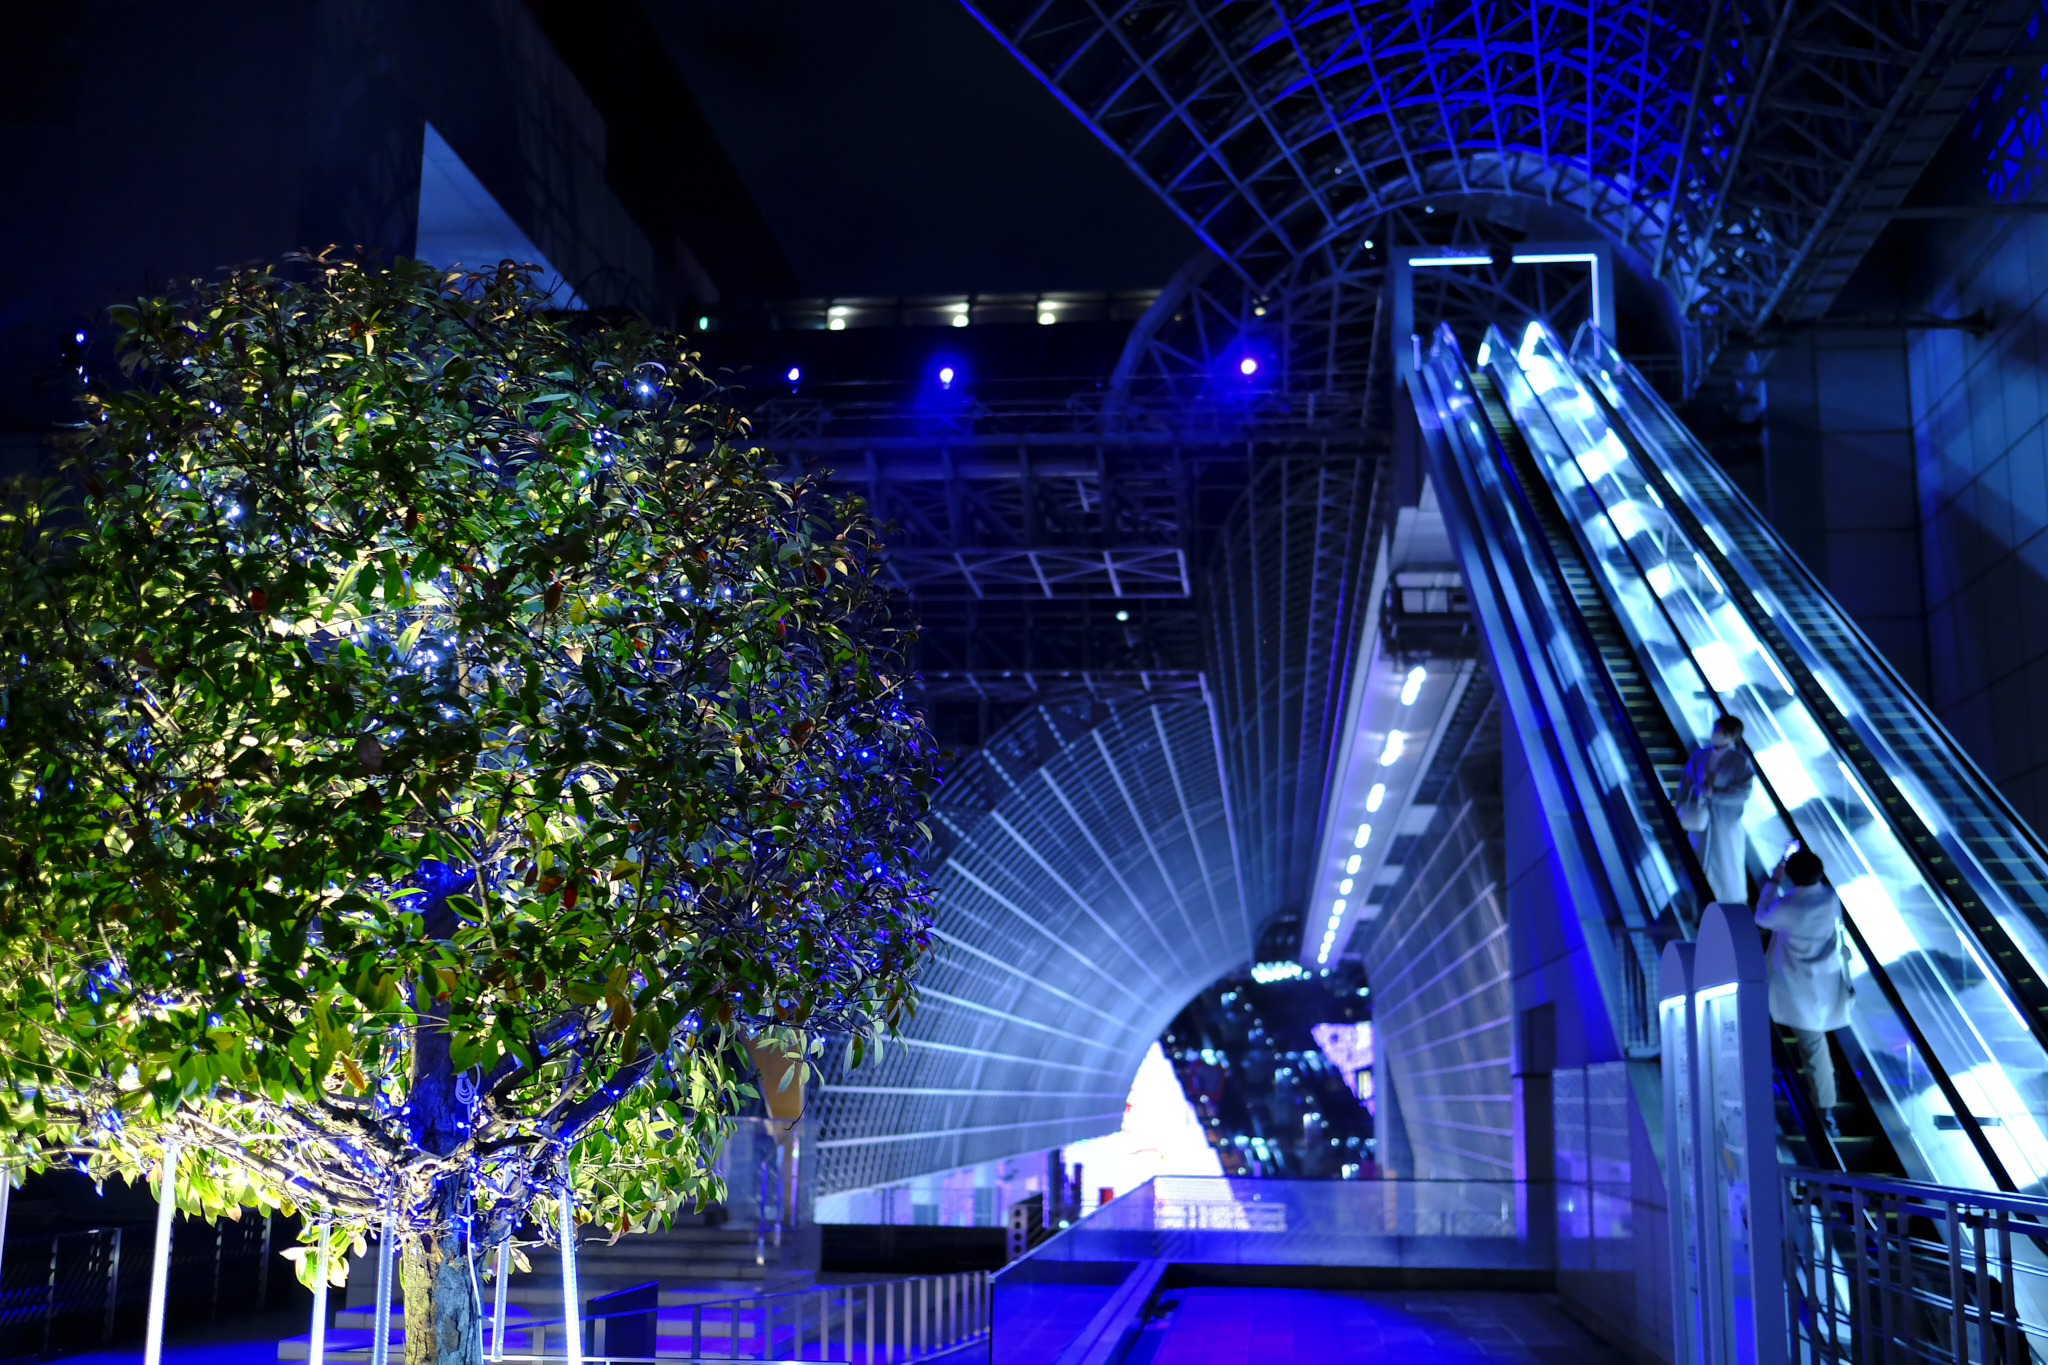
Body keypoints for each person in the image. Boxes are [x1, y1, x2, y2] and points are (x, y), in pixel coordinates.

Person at [1755, 847, 1854, 1134]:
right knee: (1814, 1046)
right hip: (1823, 985)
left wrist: (1774, 880)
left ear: (1790, 874)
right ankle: (1825, 1110)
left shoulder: (1787, 908)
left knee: (1804, 1044)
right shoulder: (1830, 898)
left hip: (1791, 986)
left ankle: (1822, 1110)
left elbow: (1761, 916)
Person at [1679, 714, 1755, 903]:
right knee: (1698, 861)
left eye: (1722, 732)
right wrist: (1682, 807)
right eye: (1716, 730)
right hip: (1699, 818)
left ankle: (1728, 904)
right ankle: (1696, 904)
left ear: (1732, 736)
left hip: (1725, 822)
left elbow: (1743, 793)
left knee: (1726, 864)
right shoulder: (1700, 755)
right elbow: (1685, 784)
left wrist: (1716, 795)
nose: (1716, 734)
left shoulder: (1740, 761)